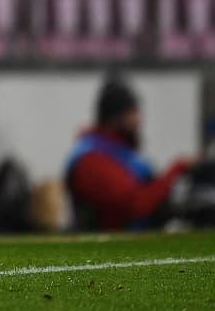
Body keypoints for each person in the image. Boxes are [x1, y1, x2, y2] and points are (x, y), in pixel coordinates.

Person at [66, 76, 196, 231]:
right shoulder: (92, 159)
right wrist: (176, 170)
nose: (139, 119)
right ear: (115, 117)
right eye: (132, 112)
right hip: (110, 247)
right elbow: (137, 205)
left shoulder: (120, 152)